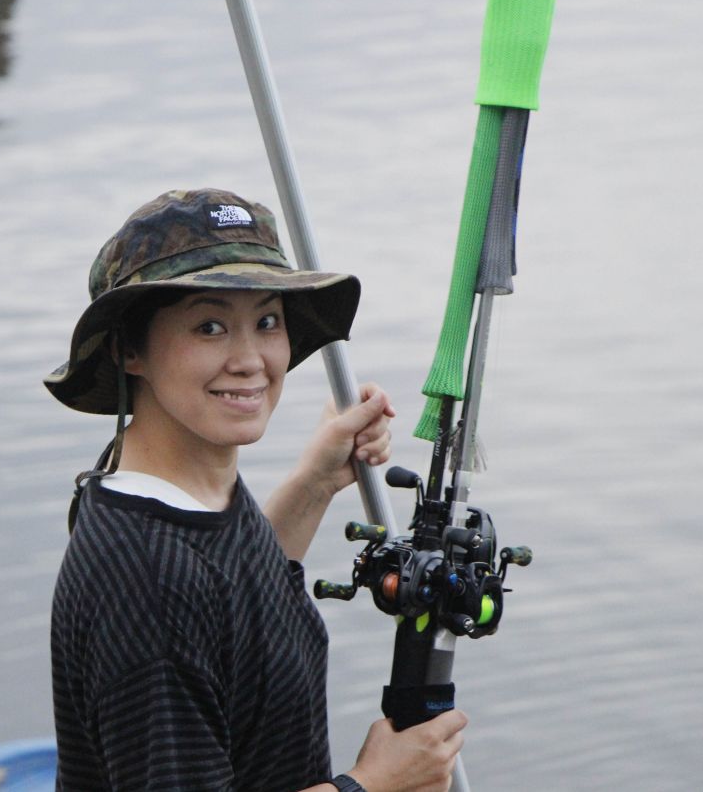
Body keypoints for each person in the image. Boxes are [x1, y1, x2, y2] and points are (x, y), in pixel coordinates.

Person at [45, 188, 467, 791]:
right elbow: (187, 602)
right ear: (128, 348)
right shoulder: (147, 576)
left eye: (267, 321)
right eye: (210, 326)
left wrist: (316, 482)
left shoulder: (185, 486)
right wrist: (372, 783)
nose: (250, 360)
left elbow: (232, 612)